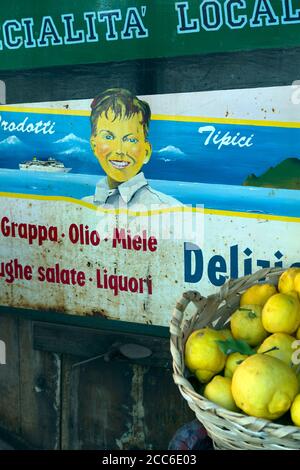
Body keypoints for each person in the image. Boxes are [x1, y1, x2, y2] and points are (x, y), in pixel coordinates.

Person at [82, 88, 182, 209]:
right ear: (94, 145)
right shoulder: (83, 205)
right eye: (108, 137)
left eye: (131, 140)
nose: (119, 150)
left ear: (146, 152)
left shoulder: (169, 210)